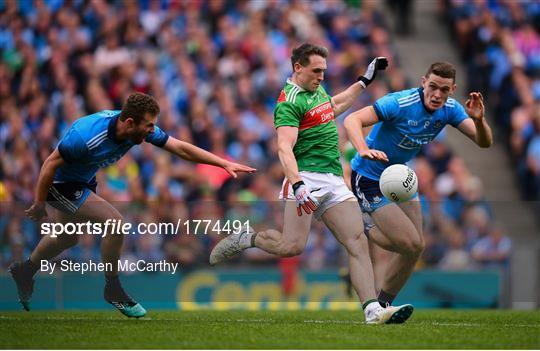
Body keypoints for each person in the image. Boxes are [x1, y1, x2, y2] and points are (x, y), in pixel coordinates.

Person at [209, 43, 413, 324]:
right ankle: (248, 239)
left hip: (333, 179)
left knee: (356, 241)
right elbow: (284, 148)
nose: (321, 76)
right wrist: (297, 185)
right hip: (306, 178)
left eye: (324, 71)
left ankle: (372, 310)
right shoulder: (289, 102)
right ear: (297, 68)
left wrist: (364, 81)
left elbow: (336, 105)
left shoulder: (316, 91)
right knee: (291, 246)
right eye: (316, 71)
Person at [9, 92, 256, 318]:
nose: (152, 130)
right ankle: (113, 288)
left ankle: (25, 270)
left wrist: (223, 163)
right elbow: (50, 165)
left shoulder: (136, 129)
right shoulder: (86, 137)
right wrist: (40, 203)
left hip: (83, 180)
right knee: (114, 223)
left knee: (66, 238)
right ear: (129, 123)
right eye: (149, 125)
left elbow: (179, 147)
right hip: (60, 182)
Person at [343, 62, 493, 307]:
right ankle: (364, 224)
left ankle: (382, 306)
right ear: (423, 82)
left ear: (452, 89)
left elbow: (484, 142)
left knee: (415, 247)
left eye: (444, 90)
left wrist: (478, 121)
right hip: (368, 177)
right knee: (408, 242)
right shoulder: (400, 103)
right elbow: (352, 119)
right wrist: (363, 149)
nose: (437, 94)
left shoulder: (451, 110)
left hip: (399, 176)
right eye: (432, 87)